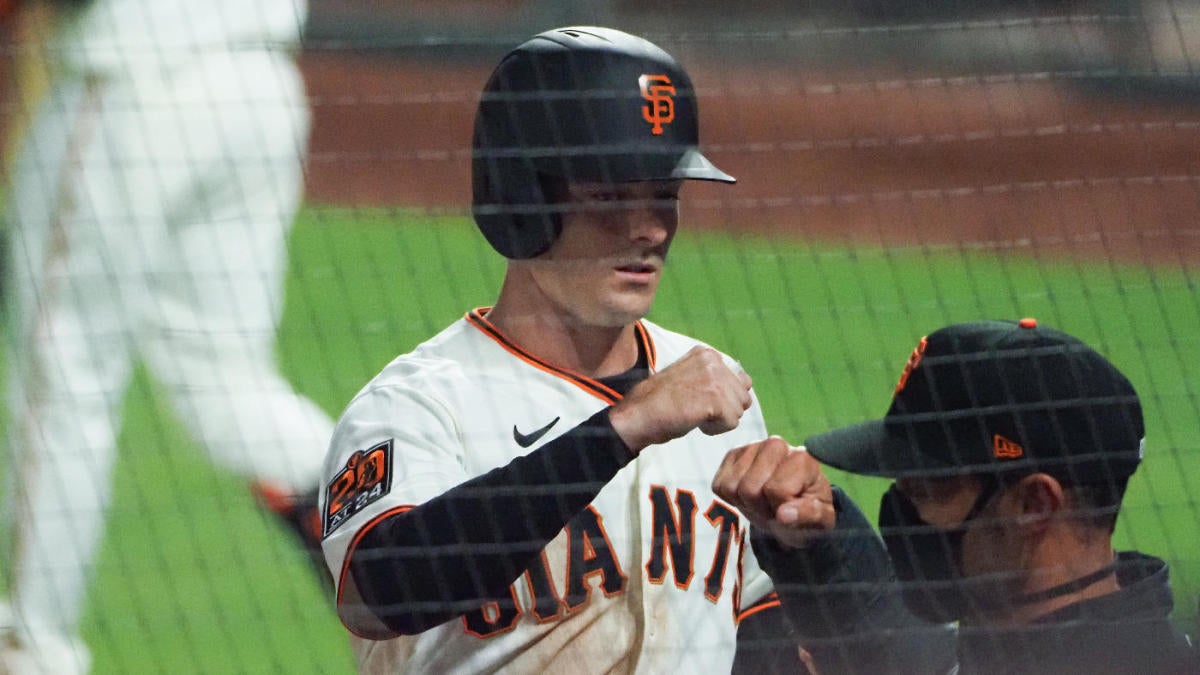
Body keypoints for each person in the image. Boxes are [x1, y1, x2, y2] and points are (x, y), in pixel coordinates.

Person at [317, 25, 922, 674]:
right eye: (610, 195)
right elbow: (377, 592)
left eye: (664, 194)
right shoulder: (420, 404)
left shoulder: (719, 395)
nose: (651, 227)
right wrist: (622, 427)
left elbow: (751, 633)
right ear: (521, 194)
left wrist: (799, 545)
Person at [0, 0, 333, 672]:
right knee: (226, 383)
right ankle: (421, 551)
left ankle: (29, 646)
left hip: (132, 83)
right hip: (258, 89)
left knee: (61, 377)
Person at [717, 318, 1199, 674]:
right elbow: (902, 653)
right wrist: (811, 546)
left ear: (1035, 506)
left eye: (928, 489)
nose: (903, 512)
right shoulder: (1018, 643)